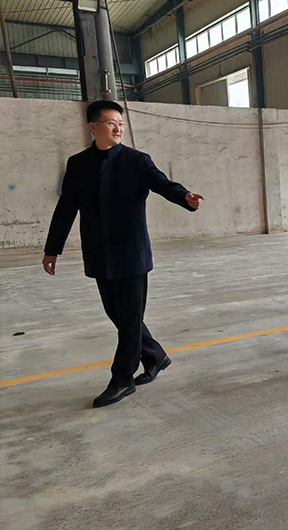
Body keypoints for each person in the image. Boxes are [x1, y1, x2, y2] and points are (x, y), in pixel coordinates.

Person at [42, 100, 204, 408]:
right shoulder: (78, 164)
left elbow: (162, 184)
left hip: (131, 253)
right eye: (111, 123)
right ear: (93, 127)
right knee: (118, 315)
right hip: (99, 253)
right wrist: (53, 249)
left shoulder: (137, 160)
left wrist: (185, 196)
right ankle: (155, 356)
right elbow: (66, 208)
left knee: (129, 319)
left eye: (121, 123)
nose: (118, 128)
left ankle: (122, 379)